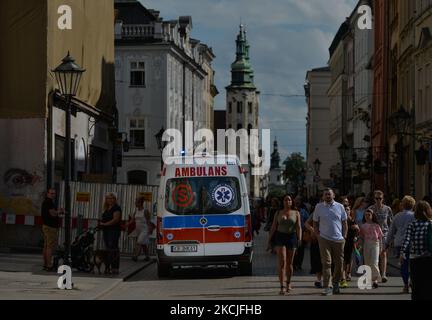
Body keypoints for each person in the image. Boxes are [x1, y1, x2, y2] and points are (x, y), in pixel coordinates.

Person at [313, 188, 348, 296]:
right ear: (323, 196)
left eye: (329, 194)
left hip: (338, 239)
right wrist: (318, 235)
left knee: (339, 263)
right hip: (324, 239)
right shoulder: (319, 207)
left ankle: (336, 283)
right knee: (326, 263)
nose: (327, 196)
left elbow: (345, 223)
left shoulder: (340, 206)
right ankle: (328, 286)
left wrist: (344, 237)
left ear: (333, 195)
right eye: (325, 194)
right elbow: (315, 223)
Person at [267, 194, 302, 295]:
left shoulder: (296, 213)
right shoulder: (278, 212)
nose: (288, 202)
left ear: (292, 202)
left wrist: (299, 239)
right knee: (282, 262)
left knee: (290, 263)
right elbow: (273, 227)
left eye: (289, 200)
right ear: (283, 202)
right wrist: (269, 240)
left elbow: (299, 227)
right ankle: (282, 286)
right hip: (280, 237)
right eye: (286, 200)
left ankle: (288, 283)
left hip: (291, 238)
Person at [400, 201, 432, 300]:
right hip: (428, 258)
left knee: (416, 285)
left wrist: (402, 252)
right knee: (428, 284)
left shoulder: (412, 224)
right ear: (427, 211)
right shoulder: (430, 224)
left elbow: (407, 239)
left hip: (415, 259)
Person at [385, 195, 415, 293]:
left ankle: (405, 285)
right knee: (413, 263)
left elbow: (391, 231)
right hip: (412, 242)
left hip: (399, 243)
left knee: (404, 265)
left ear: (403, 205)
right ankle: (412, 281)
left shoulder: (397, 216)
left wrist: (386, 243)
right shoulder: (414, 216)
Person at [368, 190, 393, 283]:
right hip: (373, 235)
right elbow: (367, 220)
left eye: (380, 198)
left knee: (383, 253)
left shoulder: (387, 209)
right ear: (374, 199)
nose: (378, 200)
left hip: (384, 233)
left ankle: (383, 274)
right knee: (375, 256)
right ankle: (376, 275)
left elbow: (391, 222)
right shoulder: (371, 208)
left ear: (383, 199)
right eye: (376, 198)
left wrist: (391, 237)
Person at [359, 208, 384, 288]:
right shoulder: (362, 226)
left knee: (374, 262)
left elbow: (380, 237)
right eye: (365, 215)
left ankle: (375, 279)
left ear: (372, 216)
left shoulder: (376, 226)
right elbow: (361, 238)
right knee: (367, 262)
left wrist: (381, 248)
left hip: (375, 244)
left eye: (369, 215)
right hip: (366, 244)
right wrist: (360, 246)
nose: (367, 216)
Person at [41, 188, 64, 271]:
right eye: (51, 193)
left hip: (46, 226)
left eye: (54, 193)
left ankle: (45, 264)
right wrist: (59, 211)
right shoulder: (49, 202)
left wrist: (57, 211)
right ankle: (49, 265)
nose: (53, 195)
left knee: (46, 246)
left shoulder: (47, 202)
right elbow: (53, 214)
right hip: (50, 227)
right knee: (50, 247)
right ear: (47, 194)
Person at [99, 192, 122, 275]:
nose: (110, 200)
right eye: (108, 198)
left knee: (113, 248)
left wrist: (105, 224)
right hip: (106, 231)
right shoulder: (106, 208)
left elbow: (116, 220)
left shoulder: (116, 208)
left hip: (113, 231)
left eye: (112, 198)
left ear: (115, 199)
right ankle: (108, 267)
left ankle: (115, 267)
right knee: (108, 248)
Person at [340, 206, 359, 288]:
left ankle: (348, 273)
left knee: (349, 259)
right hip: (342, 242)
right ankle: (343, 276)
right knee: (343, 260)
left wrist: (356, 229)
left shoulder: (352, 220)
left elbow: (357, 232)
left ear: (350, 211)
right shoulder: (340, 220)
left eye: (348, 209)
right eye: (345, 209)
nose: (346, 211)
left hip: (350, 243)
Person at [305, 214, 322, 288]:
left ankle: (328, 279)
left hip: (328, 238)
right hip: (316, 240)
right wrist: (312, 230)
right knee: (317, 259)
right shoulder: (316, 212)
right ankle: (319, 280)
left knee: (327, 260)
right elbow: (306, 223)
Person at [126, 197, 147, 261]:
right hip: (138, 230)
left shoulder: (145, 211)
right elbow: (132, 220)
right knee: (143, 244)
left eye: (137, 202)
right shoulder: (136, 211)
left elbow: (148, 221)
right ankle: (147, 256)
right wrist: (127, 224)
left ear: (141, 203)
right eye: (135, 201)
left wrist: (150, 230)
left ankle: (135, 256)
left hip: (144, 230)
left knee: (139, 242)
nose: (135, 203)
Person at [294, 195, 310, 270]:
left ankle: (299, 264)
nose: (297, 201)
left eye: (298, 200)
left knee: (300, 250)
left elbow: (308, 220)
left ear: (301, 202)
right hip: (293, 233)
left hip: (302, 233)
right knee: (293, 249)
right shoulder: (291, 211)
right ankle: (293, 263)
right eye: (296, 200)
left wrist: (307, 230)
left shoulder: (303, 211)